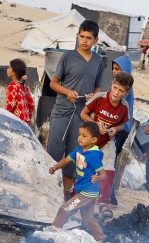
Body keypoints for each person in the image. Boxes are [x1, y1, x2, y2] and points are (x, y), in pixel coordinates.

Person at [46, 20, 105, 195]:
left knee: (75, 156)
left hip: (82, 116)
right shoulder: (67, 57)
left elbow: (97, 88)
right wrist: (67, 92)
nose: (84, 41)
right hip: (62, 111)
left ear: (96, 40)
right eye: (82, 37)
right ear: (78, 36)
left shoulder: (98, 61)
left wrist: (93, 96)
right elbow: (54, 84)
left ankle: (65, 195)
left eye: (89, 38)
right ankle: (49, 191)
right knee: (53, 152)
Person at [47, 120, 105, 241]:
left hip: (88, 192)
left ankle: (52, 234)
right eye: (79, 134)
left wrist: (98, 178)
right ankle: (100, 239)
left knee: (64, 209)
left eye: (84, 136)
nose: (80, 138)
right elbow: (66, 160)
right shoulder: (79, 150)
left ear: (93, 140)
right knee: (88, 218)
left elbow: (103, 175)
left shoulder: (93, 156)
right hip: (83, 190)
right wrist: (55, 167)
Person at [82, 69, 132, 206]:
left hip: (108, 141)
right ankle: (80, 199)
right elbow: (84, 114)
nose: (116, 93)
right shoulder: (100, 97)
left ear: (127, 93)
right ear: (112, 84)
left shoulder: (124, 106)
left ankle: (104, 202)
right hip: (92, 140)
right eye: (115, 88)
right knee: (86, 169)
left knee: (109, 170)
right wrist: (95, 125)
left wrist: (115, 129)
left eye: (121, 91)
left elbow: (122, 124)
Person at [109, 55, 135, 206]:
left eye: (118, 69)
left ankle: (110, 198)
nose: (114, 72)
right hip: (117, 129)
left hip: (119, 130)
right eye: (113, 69)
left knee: (108, 162)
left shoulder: (126, 90)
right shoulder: (120, 87)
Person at [5, 59, 35, 125]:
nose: (7, 69)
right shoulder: (24, 87)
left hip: (16, 121)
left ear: (15, 72)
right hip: (26, 121)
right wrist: (29, 117)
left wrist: (3, 112)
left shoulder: (12, 86)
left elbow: (10, 105)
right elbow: (31, 105)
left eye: (9, 68)